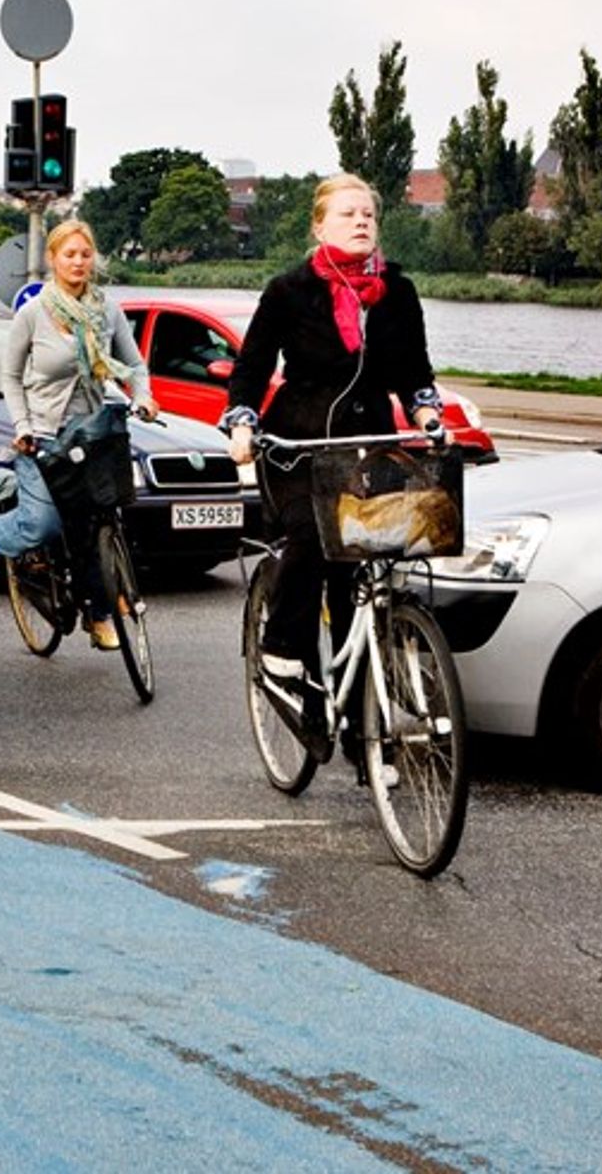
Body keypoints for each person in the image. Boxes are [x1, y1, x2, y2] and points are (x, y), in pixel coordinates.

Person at [220, 174, 445, 768]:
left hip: (369, 443)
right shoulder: (288, 290)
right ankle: (282, 655)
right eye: (348, 214)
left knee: (365, 571)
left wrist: (426, 413)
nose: (362, 222)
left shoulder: (398, 292)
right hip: (299, 444)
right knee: (313, 535)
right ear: (319, 226)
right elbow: (250, 368)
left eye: (368, 213)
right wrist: (241, 424)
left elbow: (415, 370)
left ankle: (363, 729)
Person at [0, 217, 157, 651]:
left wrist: (144, 396)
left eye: (85, 254)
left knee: (95, 525)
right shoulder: (33, 314)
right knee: (43, 523)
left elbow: (134, 365)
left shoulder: (107, 311)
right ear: (53, 259)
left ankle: (100, 615)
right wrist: (22, 426)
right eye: (69, 254)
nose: (78, 262)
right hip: (43, 435)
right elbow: (10, 376)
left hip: (91, 434)